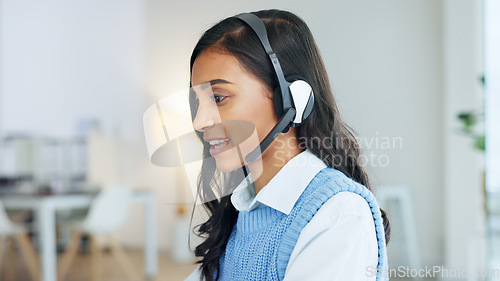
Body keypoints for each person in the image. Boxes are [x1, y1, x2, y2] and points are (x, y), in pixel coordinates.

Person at [184, 9, 390, 281]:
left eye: (219, 97)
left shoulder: (338, 214)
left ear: (293, 100)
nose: (199, 121)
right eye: (197, 101)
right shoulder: (241, 208)